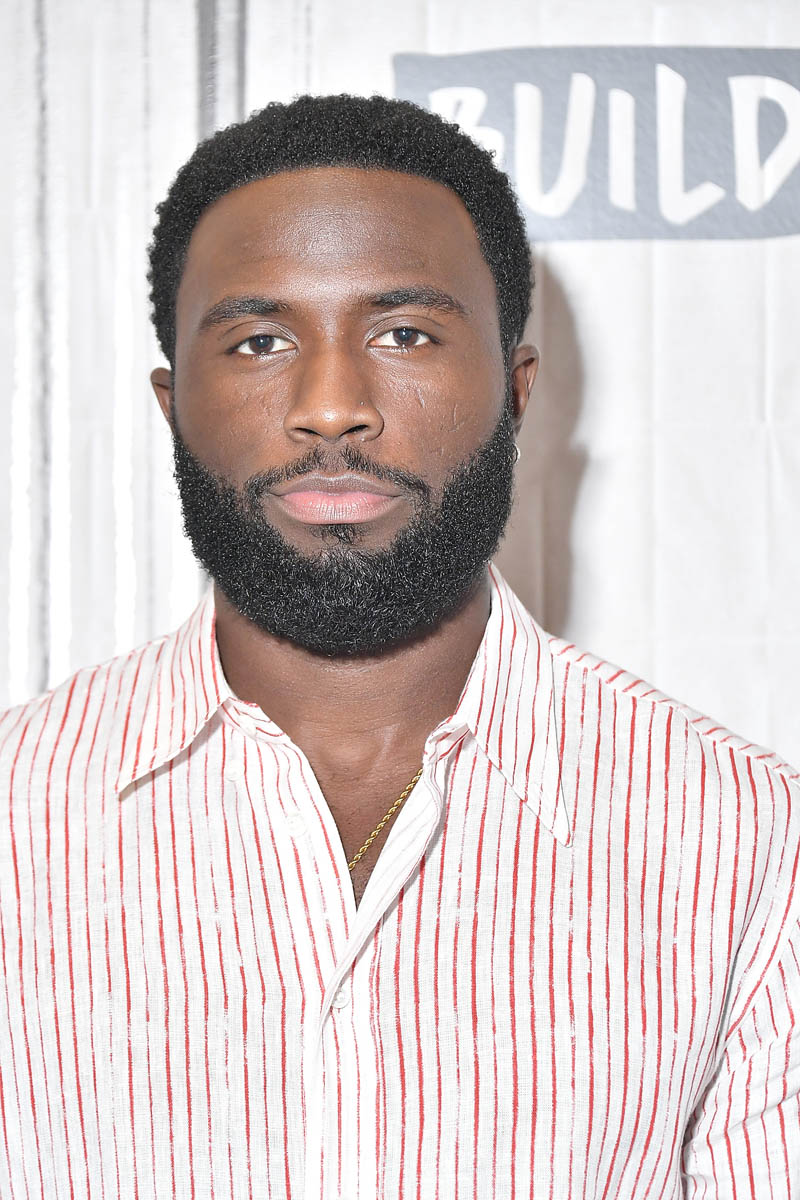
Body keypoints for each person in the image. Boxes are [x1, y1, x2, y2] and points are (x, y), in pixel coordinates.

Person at [0, 93, 797, 1200]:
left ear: (514, 392)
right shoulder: (14, 816)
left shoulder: (745, 840)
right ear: (173, 406)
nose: (332, 407)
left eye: (404, 334)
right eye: (261, 341)